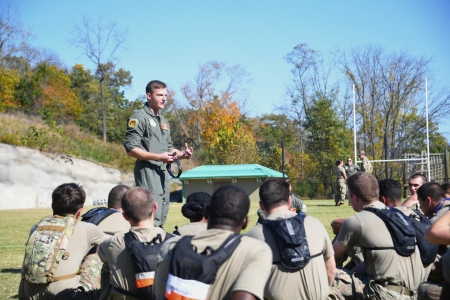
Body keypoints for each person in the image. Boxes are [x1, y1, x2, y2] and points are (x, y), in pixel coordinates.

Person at [153, 185, 272, 300]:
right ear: (245, 222)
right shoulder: (256, 251)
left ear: (207, 212)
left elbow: (159, 293)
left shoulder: (171, 245)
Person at [333, 173, 426, 299]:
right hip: (414, 293)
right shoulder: (398, 216)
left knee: (325, 275)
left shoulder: (356, 221)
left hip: (386, 294)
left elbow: (328, 259)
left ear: (354, 197)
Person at [246, 178, 336, 300]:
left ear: (261, 205)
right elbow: (331, 270)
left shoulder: (252, 237)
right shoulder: (315, 224)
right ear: (289, 201)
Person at [124, 80, 193, 227]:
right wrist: (158, 157)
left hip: (163, 174)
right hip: (148, 172)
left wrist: (182, 154)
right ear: (149, 95)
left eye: (165, 95)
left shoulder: (164, 122)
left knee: (162, 213)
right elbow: (131, 149)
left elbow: (169, 149)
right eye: (160, 95)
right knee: (149, 215)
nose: (164, 99)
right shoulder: (139, 118)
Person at [19, 183, 106, 299]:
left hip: (27, 294)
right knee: (97, 252)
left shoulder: (37, 226)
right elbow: (116, 246)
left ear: (52, 206)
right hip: (64, 295)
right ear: (79, 212)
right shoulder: (87, 228)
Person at [98, 187, 171, 299]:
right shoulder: (176, 242)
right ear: (155, 207)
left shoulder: (113, 243)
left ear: (125, 216)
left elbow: (100, 254)